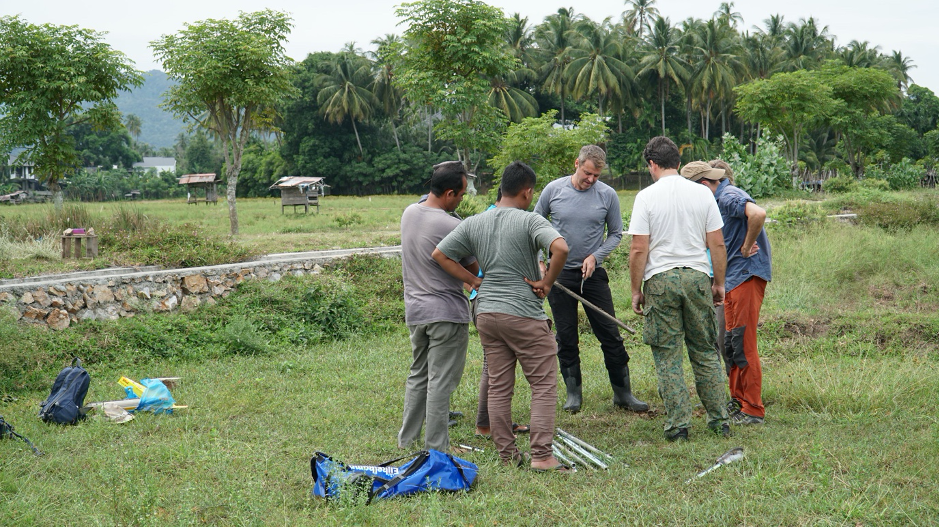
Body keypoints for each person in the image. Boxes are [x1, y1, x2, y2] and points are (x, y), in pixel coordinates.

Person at [433, 161, 572, 471]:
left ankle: (508, 456)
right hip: (522, 312)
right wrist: (547, 282)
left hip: (485, 312)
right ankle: (542, 456)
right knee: (543, 385)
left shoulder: (474, 222)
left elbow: (440, 254)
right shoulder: (530, 220)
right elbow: (560, 248)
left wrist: (473, 281)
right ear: (527, 192)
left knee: (498, 385)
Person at [627, 137, 730, 441]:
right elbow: (717, 243)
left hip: (660, 280)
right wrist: (719, 283)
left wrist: (636, 289)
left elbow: (637, 249)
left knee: (668, 356)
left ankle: (679, 427)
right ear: (677, 160)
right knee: (705, 351)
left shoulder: (646, 197)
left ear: (652, 164)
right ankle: (719, 420)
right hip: (698, 277)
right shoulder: (702, 194)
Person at [534, 145, 648, 413]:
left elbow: (616, 234)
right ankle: (574, 395)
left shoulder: (607, 195)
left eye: (597, 176)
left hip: (592, 276)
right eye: (587, 173)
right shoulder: (553, 190)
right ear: (577, 164)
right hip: (559, 275)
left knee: (610, 333)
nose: (591, 180)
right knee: (566, 335)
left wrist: (596, 256)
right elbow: (535, 223)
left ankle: (623, 394)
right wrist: (541, 260)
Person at [397, 160, 478, 453]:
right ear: (449, 194)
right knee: (441, 382)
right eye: (461, 195)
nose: (461, 200)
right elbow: (475, 266)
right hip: (446, 314)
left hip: (416, 312)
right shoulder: (451, 224)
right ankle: (436, 447)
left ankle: (407, 439)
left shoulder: (409, 213)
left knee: (419, 374)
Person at [684, 160, 772, 425]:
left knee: (743, 343)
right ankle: (738, 401)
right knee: (731, 344)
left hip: (746, 276)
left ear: (702, 185)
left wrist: (747, 246)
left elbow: (757, 214)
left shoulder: (728, 195)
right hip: (732, 279)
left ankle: (753, 409)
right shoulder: (715, 200)